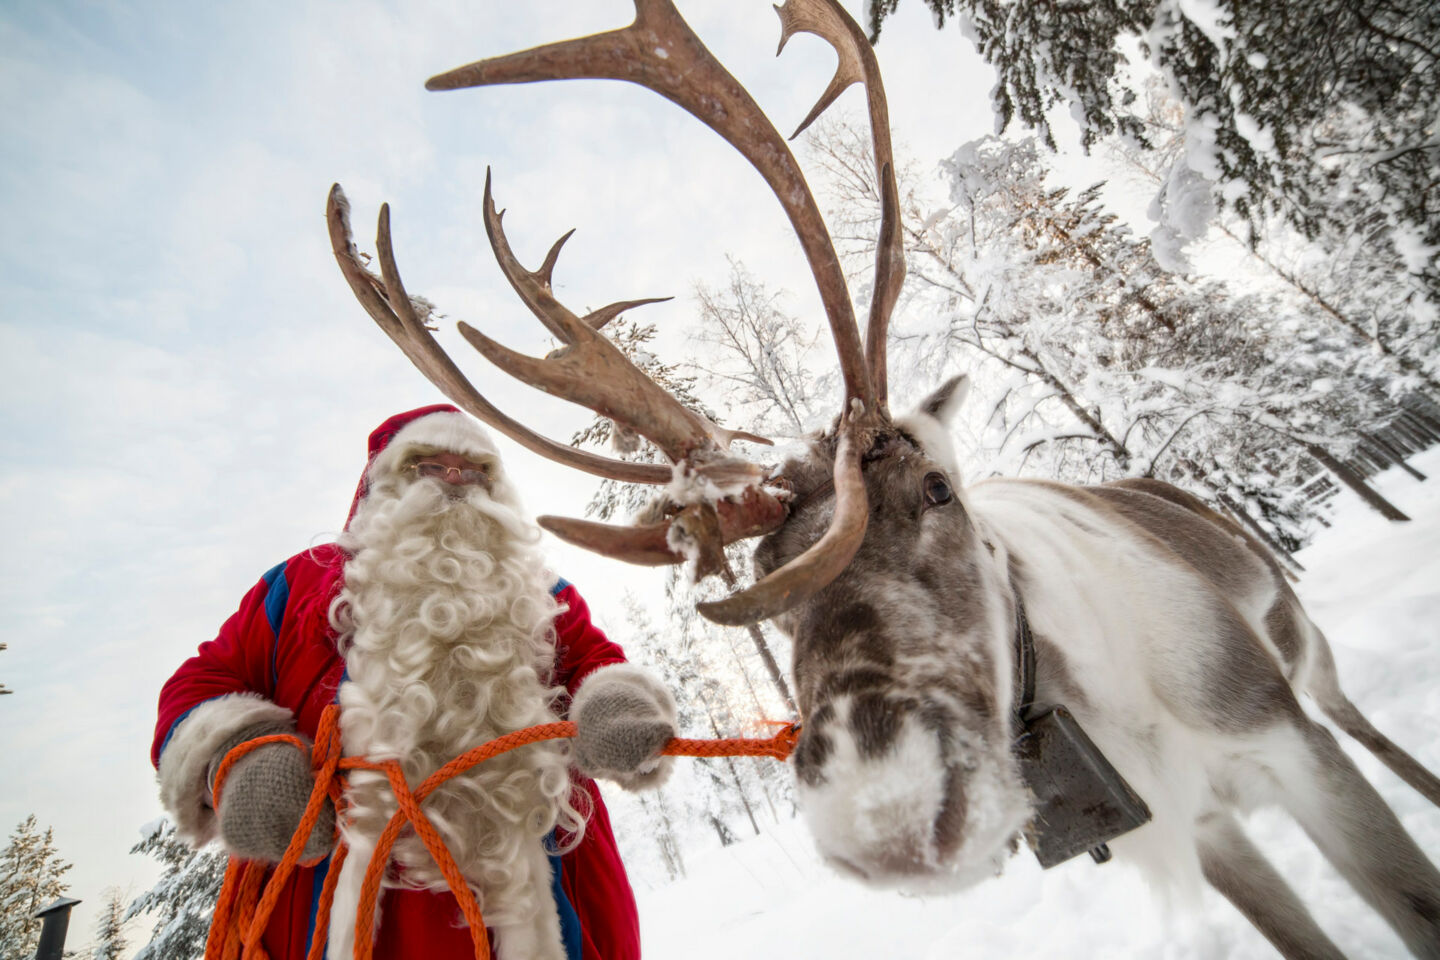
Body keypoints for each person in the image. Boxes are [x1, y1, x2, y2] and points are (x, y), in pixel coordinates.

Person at [151, 404, 678, 960]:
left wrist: (617, 704)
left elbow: (599, 664)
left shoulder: (544, 594)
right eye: (428, 467)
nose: (454, 481)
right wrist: (240, 758)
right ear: (382, 485)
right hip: (327, 908)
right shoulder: (300, 582)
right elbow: (203, 680)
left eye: (474, 471)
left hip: (531, 901)